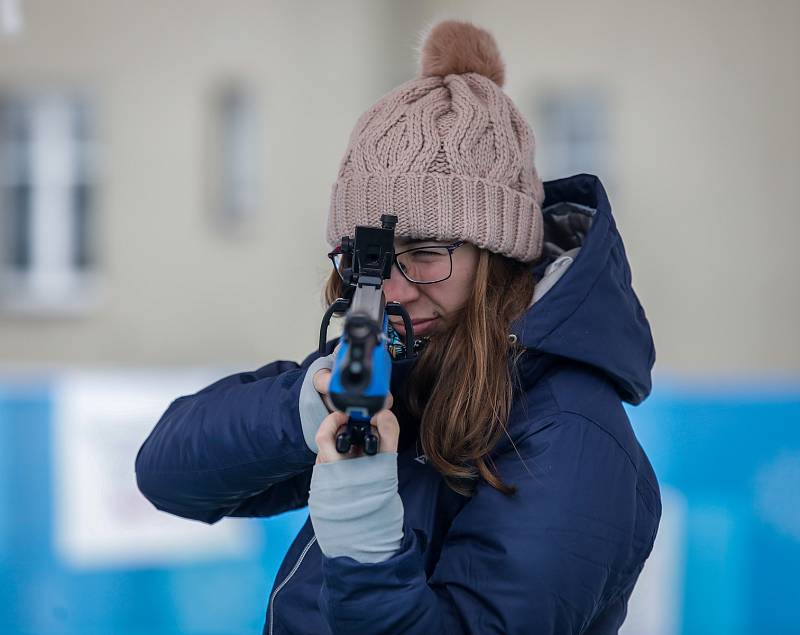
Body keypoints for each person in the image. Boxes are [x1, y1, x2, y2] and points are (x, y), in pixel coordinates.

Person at [135, 19, 661, 635]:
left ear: (498, 257)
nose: (392, 288)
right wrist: (303, 409)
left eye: (427, 250)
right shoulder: (410, 360)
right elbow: (169, 475)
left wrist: (366, 539)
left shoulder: (569, 435)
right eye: (370, 258)